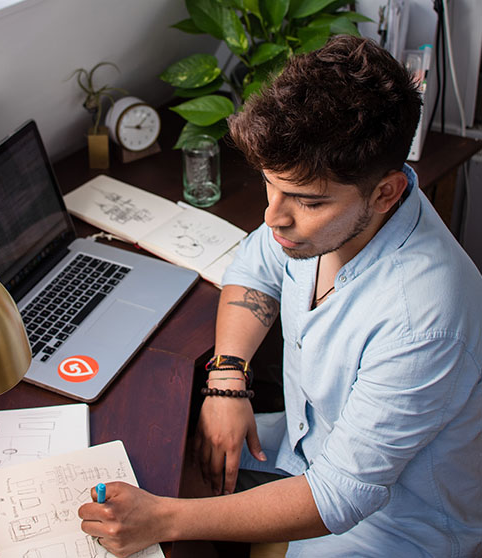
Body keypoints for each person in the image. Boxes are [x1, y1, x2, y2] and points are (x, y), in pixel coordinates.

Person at [78, 35, 482, 557]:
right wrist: (227, 380)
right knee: (156, 454)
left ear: (386, 192)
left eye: (307, 201)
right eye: (271, 184)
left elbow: (340, 496)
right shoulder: (326, 221)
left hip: (393, 524)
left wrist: (163, 520)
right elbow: (254, 264)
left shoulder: (425, 320)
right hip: (305, 445)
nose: (274, 216)